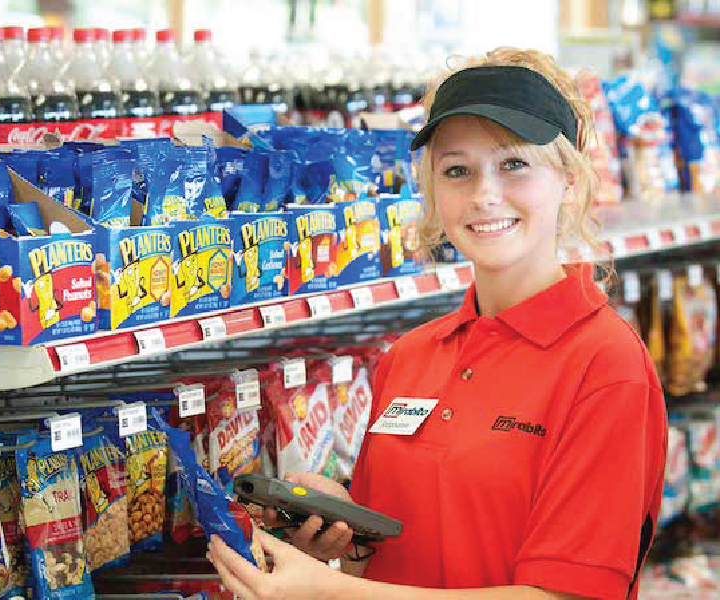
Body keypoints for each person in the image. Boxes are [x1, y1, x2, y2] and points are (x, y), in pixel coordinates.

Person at [207, 47, 668, 600]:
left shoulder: (605, 365)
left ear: (569, 179)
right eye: (457, 170)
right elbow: (384, 568)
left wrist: (325, 593)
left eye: (514, 164)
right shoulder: (411, 356)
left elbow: (567, 595)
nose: (484, 194)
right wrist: (342, 537)